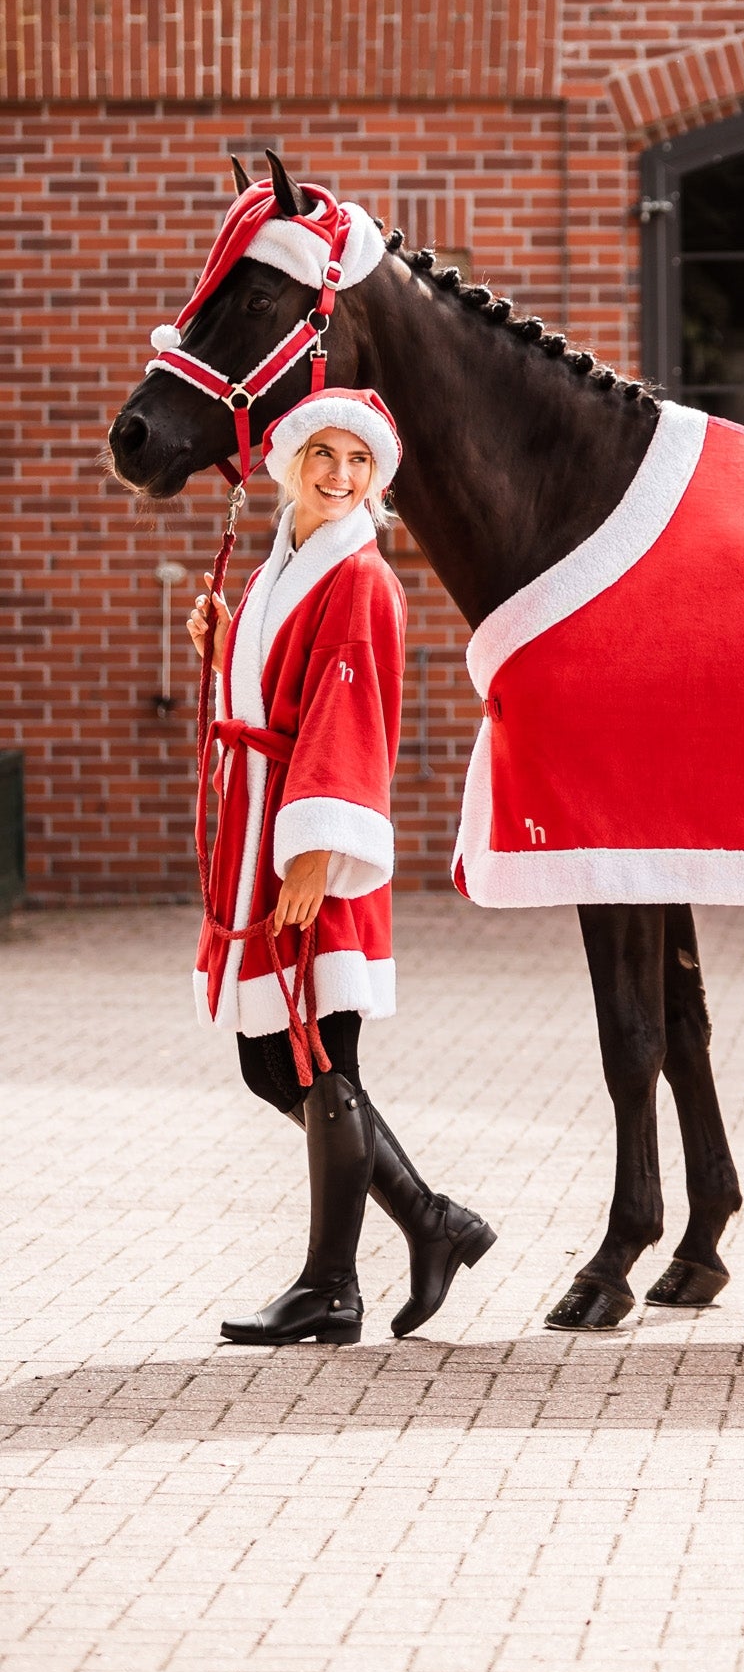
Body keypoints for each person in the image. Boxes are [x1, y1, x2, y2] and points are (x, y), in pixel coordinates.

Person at [187, 385, 495, 1345]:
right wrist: (227, 645)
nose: (339, 474)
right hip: (267, 834)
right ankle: (431, 1223)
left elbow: (346, 719)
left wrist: (317, 852)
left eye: (359, 461)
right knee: (276, 1060)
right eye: (323, 454)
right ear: (291, 463)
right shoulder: (281, 566)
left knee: (320, 1055)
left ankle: (332, 1285)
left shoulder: (361, 578)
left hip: (311, 842)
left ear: (376, 479)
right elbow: (279, 690)